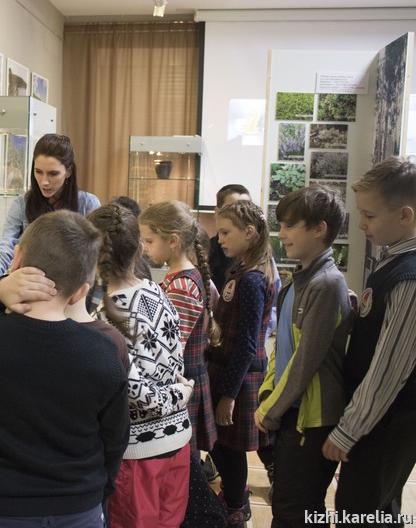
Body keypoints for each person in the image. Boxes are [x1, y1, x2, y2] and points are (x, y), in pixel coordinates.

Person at [0, 210, 129, 527]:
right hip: (79, 508)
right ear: (81, 292)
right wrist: (98, 492)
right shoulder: (104, 352)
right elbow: (115, 439)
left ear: (16, 259)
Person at [323, 156, 416, 527]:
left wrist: (349, 430)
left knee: (361, 511)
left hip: (387, 423)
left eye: (370, 215)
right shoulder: (394, 260)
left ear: (405, 215)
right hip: (377, 421)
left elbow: (389, 368)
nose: (361, 224)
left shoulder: (409, 277)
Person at [88, 203, 194, 528]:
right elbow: (173, 362)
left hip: (140, 454)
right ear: (138, 249)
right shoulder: (157, 292)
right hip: (177, 442)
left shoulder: (105, 319)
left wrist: (180, 394)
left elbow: (137, 394)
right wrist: (180, 393)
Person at [253, 186, 351, 527]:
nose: (281, 234)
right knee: (286, 505)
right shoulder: (296, 281)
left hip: (312, 421)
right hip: (291, 414)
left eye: (290, 225)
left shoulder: (327, 284)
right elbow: (282, 348)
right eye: (281, 225)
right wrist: (268, 396)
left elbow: (305, 362)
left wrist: (270, 409)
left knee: (296, 511)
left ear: (319, 229)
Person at [139, 201, 228, 527]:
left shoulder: (183, 285)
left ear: (173, 241)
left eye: (150, 240)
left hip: (182, 384)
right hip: (180, 383)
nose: (145, 247)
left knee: (182, 469)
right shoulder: (179, 278)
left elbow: (170, 347)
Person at [208, 200, 277, 527]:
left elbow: (248, 343)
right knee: (220, 444)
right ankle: (236, 497)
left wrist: (228, 395)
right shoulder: (241, 269)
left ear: (249, 232)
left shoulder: (252, 279)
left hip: (238, 376)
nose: (220, 239)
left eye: (226, 232)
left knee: (228, 447)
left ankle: (236, 506)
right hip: (226, 369)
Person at [0, 133, 100, 277]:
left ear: (68, 171)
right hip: (31, 283)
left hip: (71, 285)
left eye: (53, 174)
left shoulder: (88, 204)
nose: (44, 182)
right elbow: (5, 247)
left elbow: (96, 256)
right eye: (38, 172)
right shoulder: (22, 204)